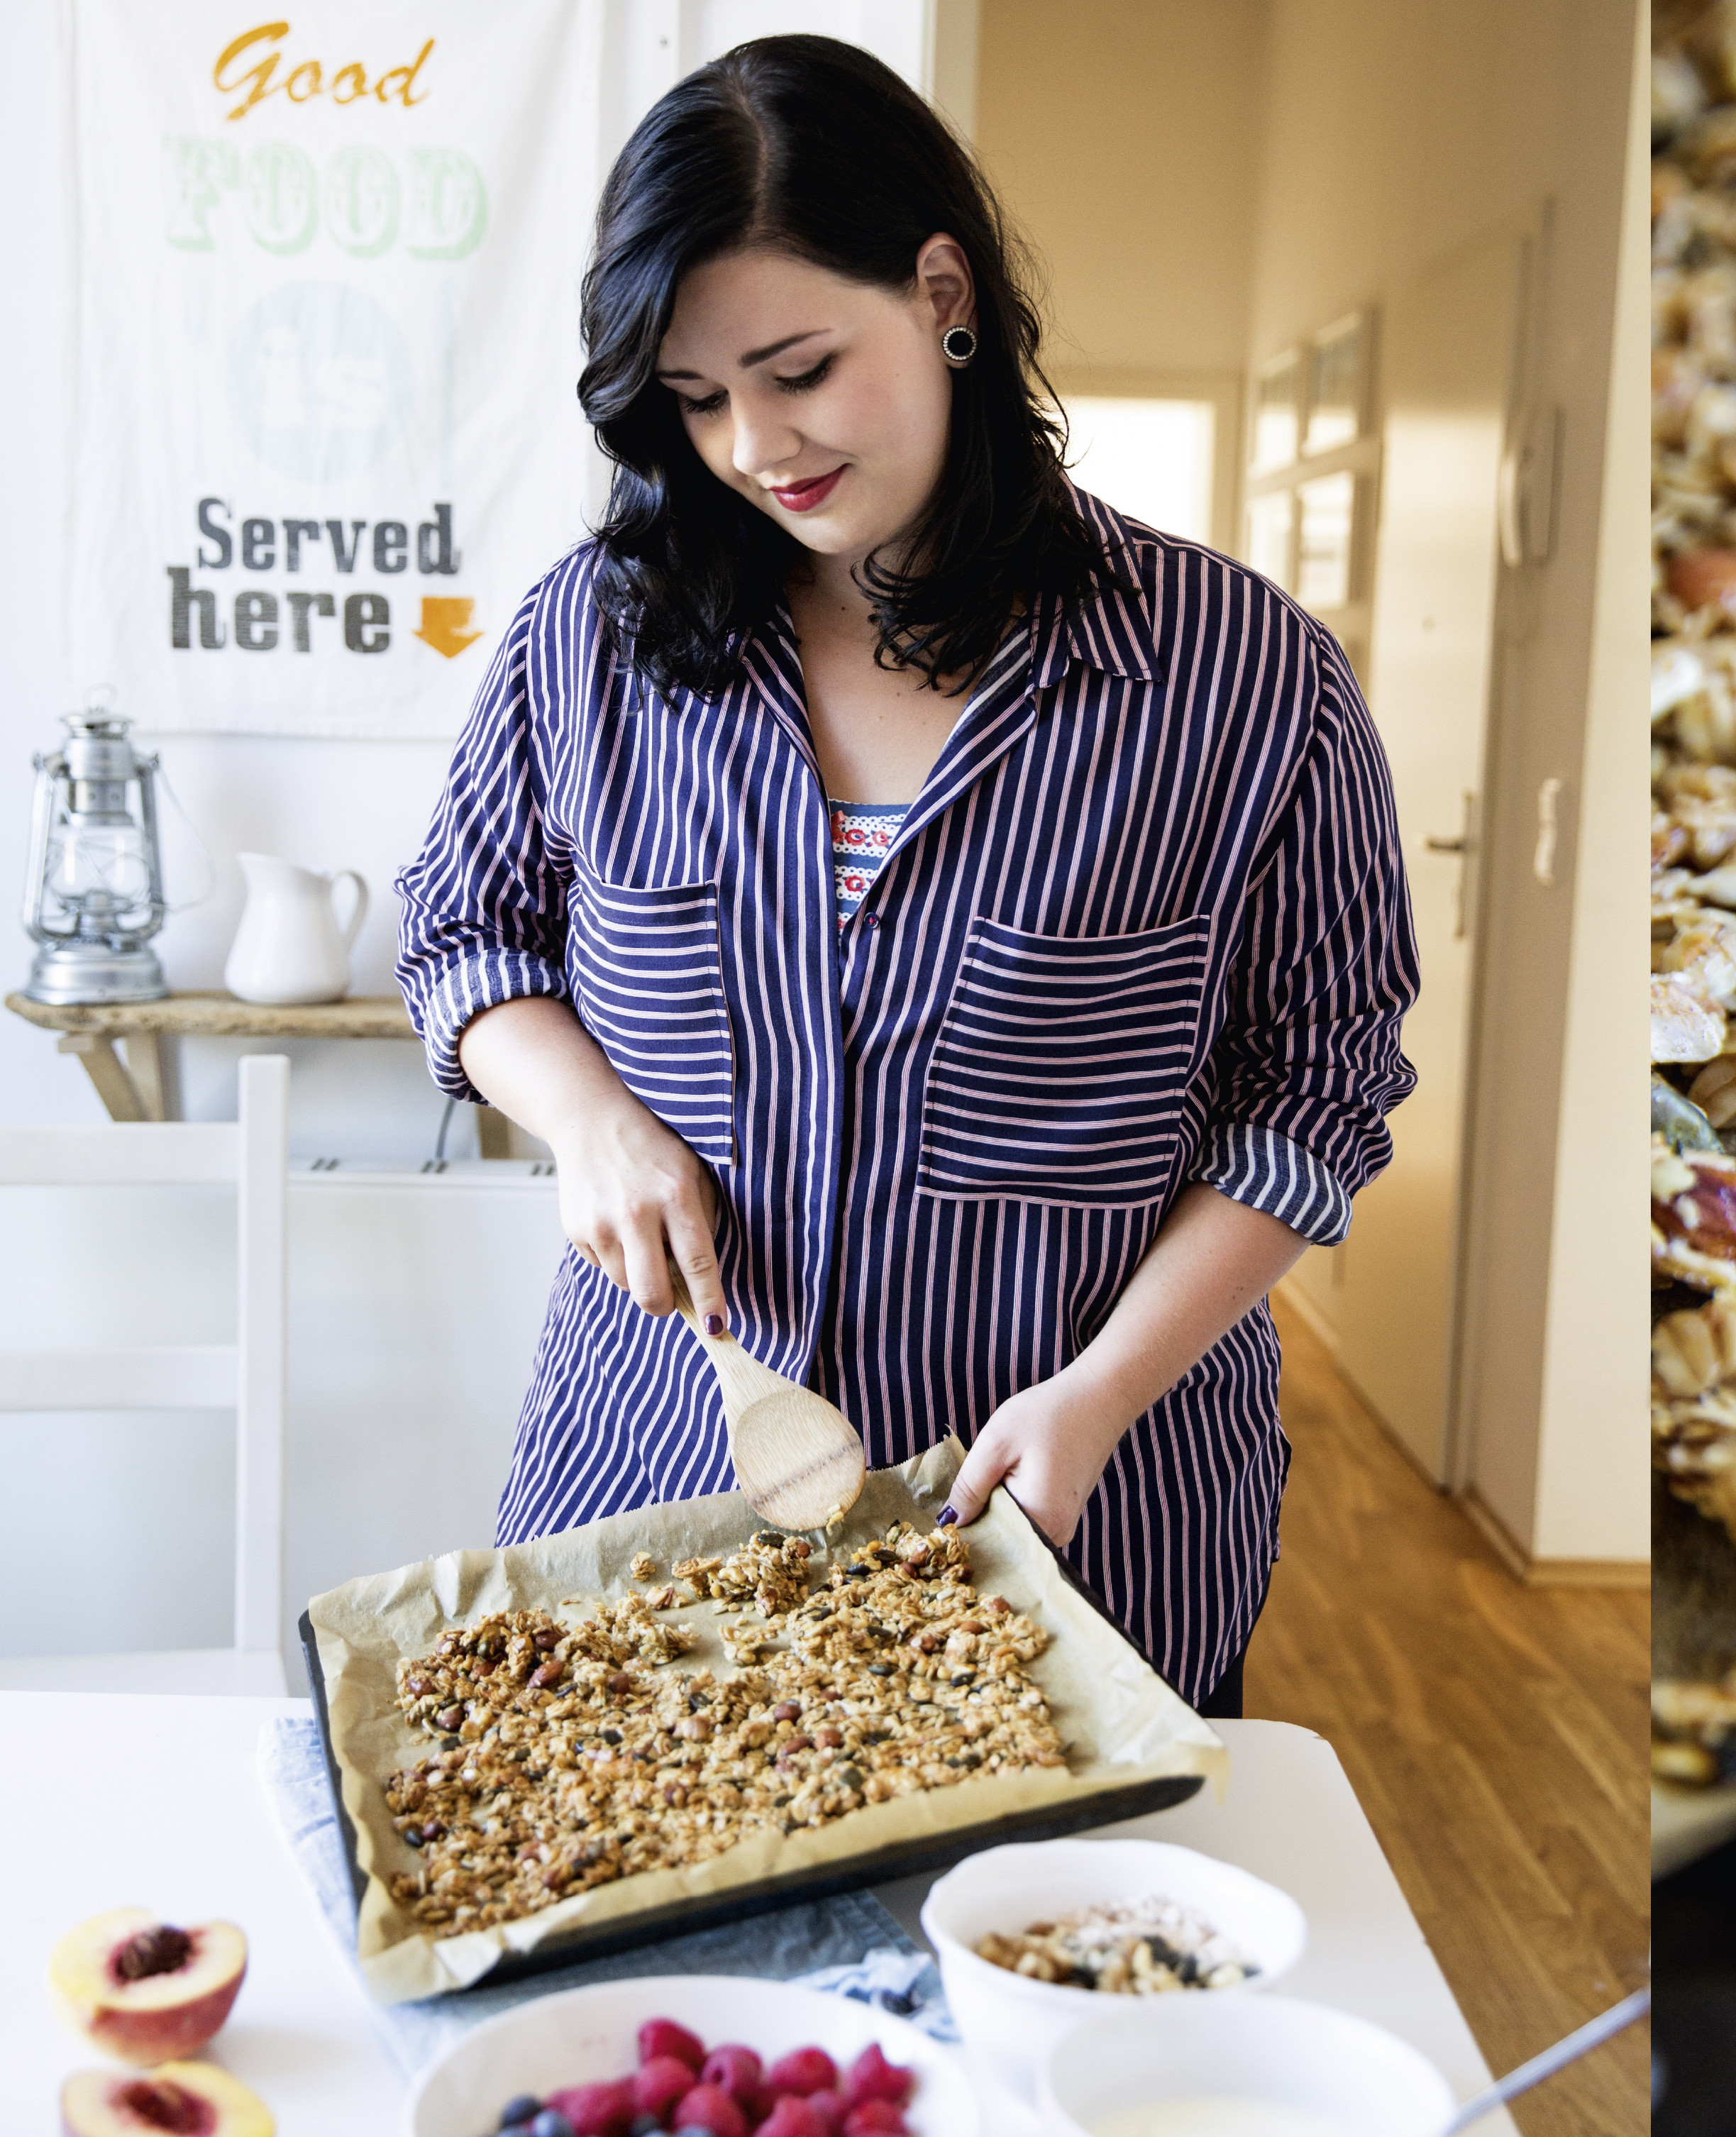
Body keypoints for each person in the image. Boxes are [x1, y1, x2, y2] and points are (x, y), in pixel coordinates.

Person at [392, 35, 1419, 1717]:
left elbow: (1312, 1096)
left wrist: (1095, 1395)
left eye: (798, 369)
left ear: (942, 291)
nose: (751, 446)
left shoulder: (1241, 678)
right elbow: (462, 927)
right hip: (654, 1505)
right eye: (699, 396)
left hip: (1084, 1530)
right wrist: (583, 1112)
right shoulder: (594, 638)